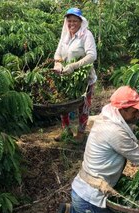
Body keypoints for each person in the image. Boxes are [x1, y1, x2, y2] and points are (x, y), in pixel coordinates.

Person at [53, 7, 97, 144]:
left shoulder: (86, 35)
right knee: (63, 104)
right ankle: (66, 129)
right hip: (65, 76)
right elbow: (58, 53)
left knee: (83, 105)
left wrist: (74, 66)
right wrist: (58, 64)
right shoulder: (65, 35)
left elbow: (92, 55)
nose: (72, 24)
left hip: (83, 78)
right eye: (69, 21)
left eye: (75, 21)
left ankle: (81, 132)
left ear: (80, 21)